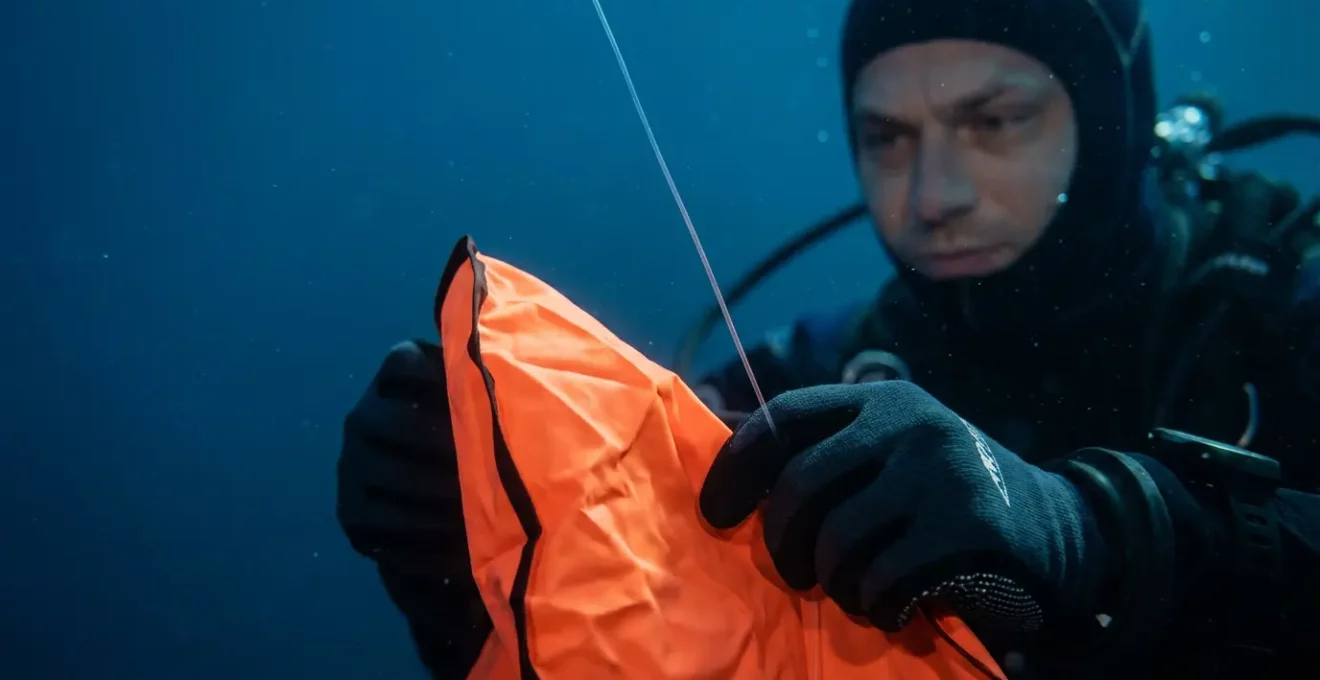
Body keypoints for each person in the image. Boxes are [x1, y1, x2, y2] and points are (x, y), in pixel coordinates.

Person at [337, 0, 1320, 676]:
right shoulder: (806, 374)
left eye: (997, 120)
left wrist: (1086, 524)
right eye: (887, 138)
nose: (934, 195)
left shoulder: (1281, 299)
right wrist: (476, 568)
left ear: (1111, 121)